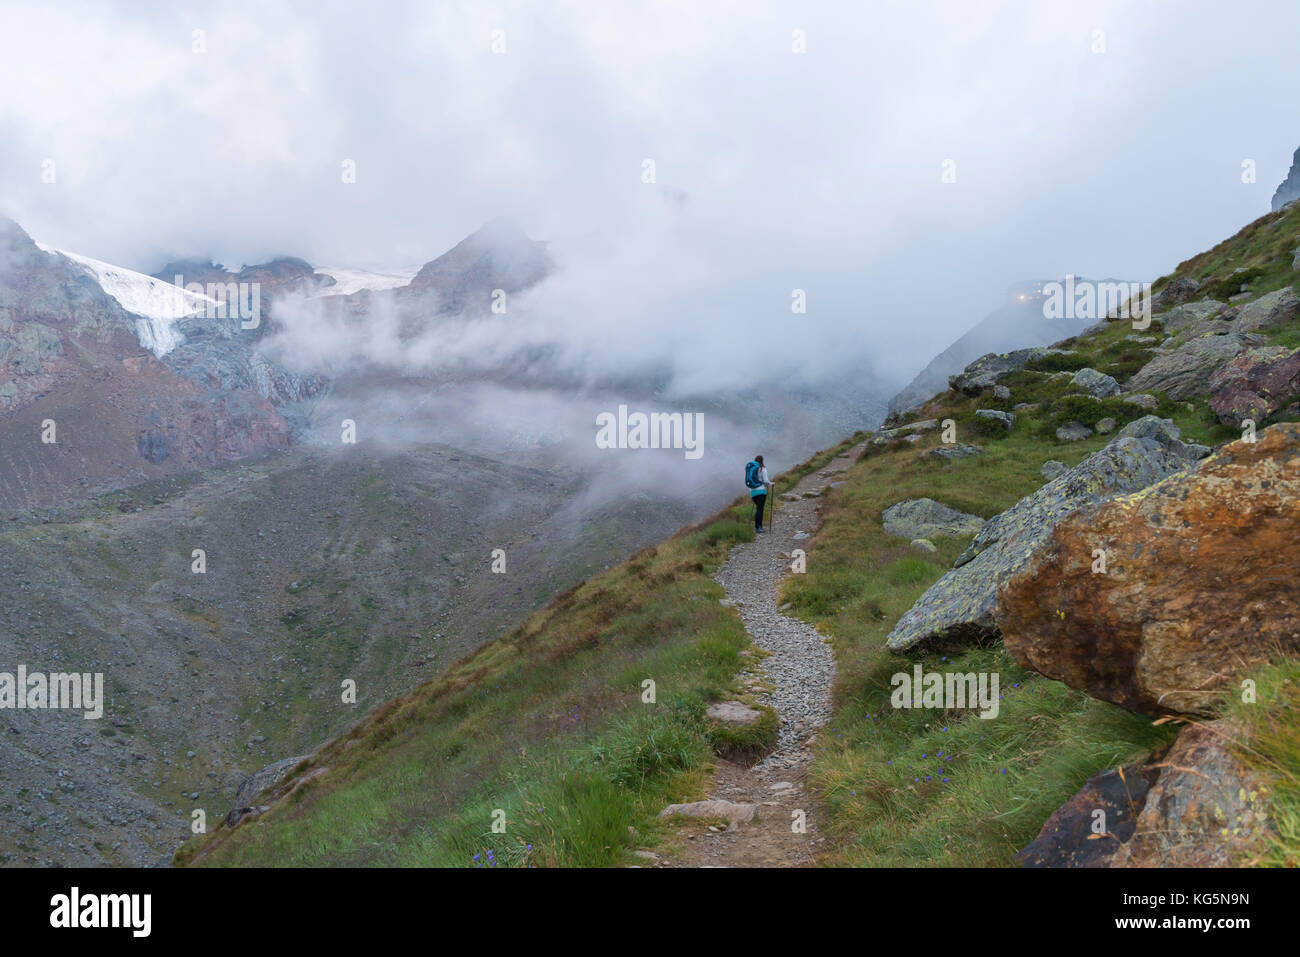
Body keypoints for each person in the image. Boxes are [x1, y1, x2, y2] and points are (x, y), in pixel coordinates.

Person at [745, 454, 773, 532]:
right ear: (762, 461)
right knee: (760, 509)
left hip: (752, 492)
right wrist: (771, 484)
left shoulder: (751, 468)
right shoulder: (762, 469)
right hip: (761, 491)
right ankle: (758, 527)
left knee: (758, 509)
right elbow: (766, 481)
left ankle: (758, 527)